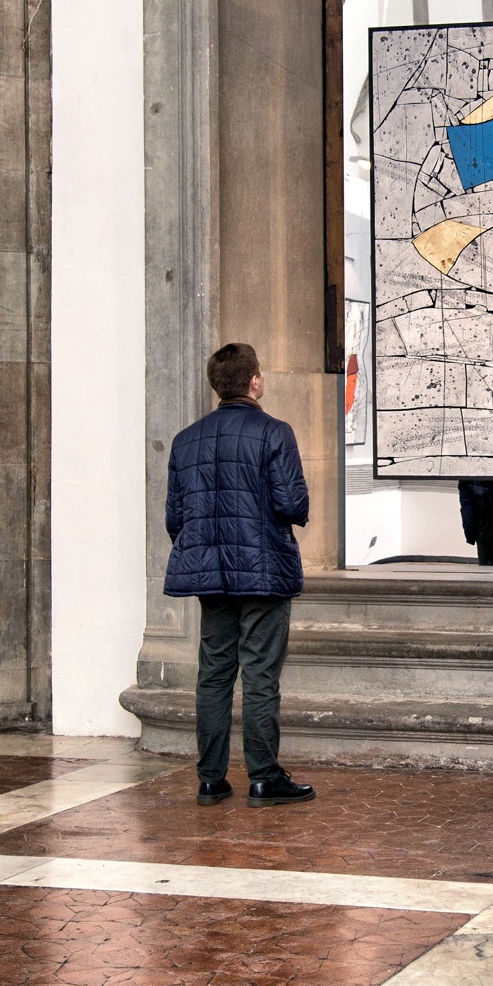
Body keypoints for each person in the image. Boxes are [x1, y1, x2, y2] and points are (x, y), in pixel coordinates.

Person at [164, 343, 315, 808]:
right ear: (254, 381)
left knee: (214, 674)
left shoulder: (185, 440)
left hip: (211, 575)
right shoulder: (274, 432)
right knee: (260, 675)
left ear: (217, 385)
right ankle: (264, 778)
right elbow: (293, 505)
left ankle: (210, 780)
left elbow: (175, 519)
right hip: (263, 570)